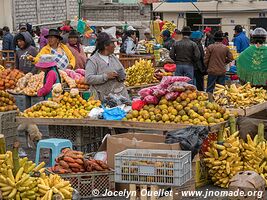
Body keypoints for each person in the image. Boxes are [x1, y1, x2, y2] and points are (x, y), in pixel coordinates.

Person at [85, 32, 129, 101]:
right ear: (105, 46)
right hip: (103, 98)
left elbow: (122, 71)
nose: (115, 46)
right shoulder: (93, 60)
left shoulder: (113, 57)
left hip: (119, 95)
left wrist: (121, 76)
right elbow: (88, 78)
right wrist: (106, 76)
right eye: (112, 44)